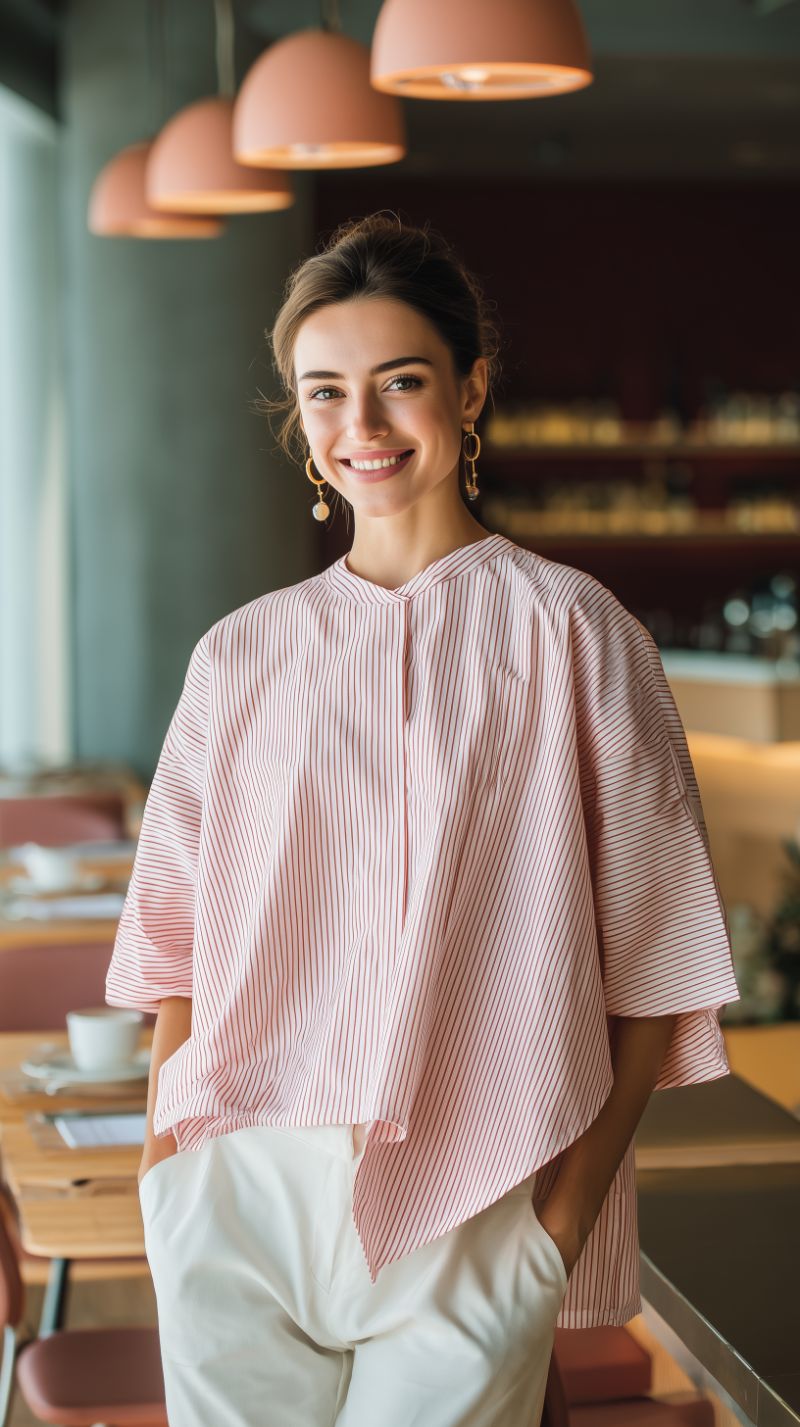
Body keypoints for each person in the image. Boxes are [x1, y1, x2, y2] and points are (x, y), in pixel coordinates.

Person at [106, 211, 741, 1427]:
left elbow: (657, 961)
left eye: (399, 381)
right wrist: (165, 1177)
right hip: (239, 1193)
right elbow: (172, 947)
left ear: (470, 388)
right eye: (325, 392)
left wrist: (553, 1229)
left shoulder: (577, 632)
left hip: (478, 1196)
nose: (363, 423)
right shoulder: (239, 656)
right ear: (300, 420)